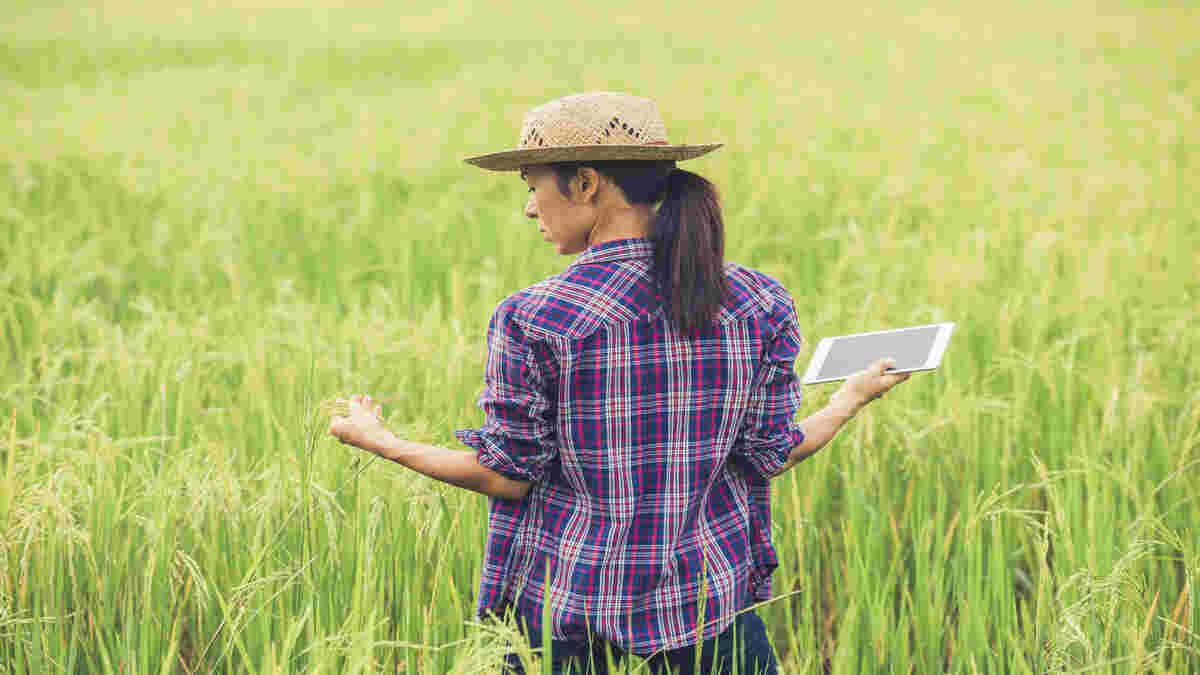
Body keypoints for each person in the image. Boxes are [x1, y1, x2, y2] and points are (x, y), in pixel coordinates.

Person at [328, 92, 911, 674]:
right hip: (708, 603)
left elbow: (505, 478)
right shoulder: (759, 301)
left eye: (532, 186)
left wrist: (379, 440)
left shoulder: (536, 316)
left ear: (585, 184)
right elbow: (770, 453)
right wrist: (848, 398)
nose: (530, 208)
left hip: (569, 607)